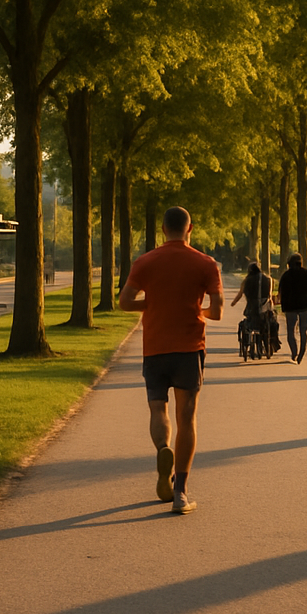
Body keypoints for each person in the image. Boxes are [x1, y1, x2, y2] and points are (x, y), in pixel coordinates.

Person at [120, 206, 224, 515]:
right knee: (187, 418)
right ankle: (180, 493)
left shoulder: (145, 261)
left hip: (155, 347)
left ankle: (163, 449)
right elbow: (217, 311)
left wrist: (152, 304)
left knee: (158, 409)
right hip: (189, 348)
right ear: (190, 228)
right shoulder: (205, 263)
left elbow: (125, 302)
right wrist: (195, 310)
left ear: (163, 229)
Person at [276, 252, 307, 364]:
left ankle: (294, 352)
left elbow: (280, 291)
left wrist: (280, 300)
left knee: (291, 330)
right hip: (304, 305)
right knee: (304, 330)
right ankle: (302, 352)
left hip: (289, 306)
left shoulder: (285, 275)